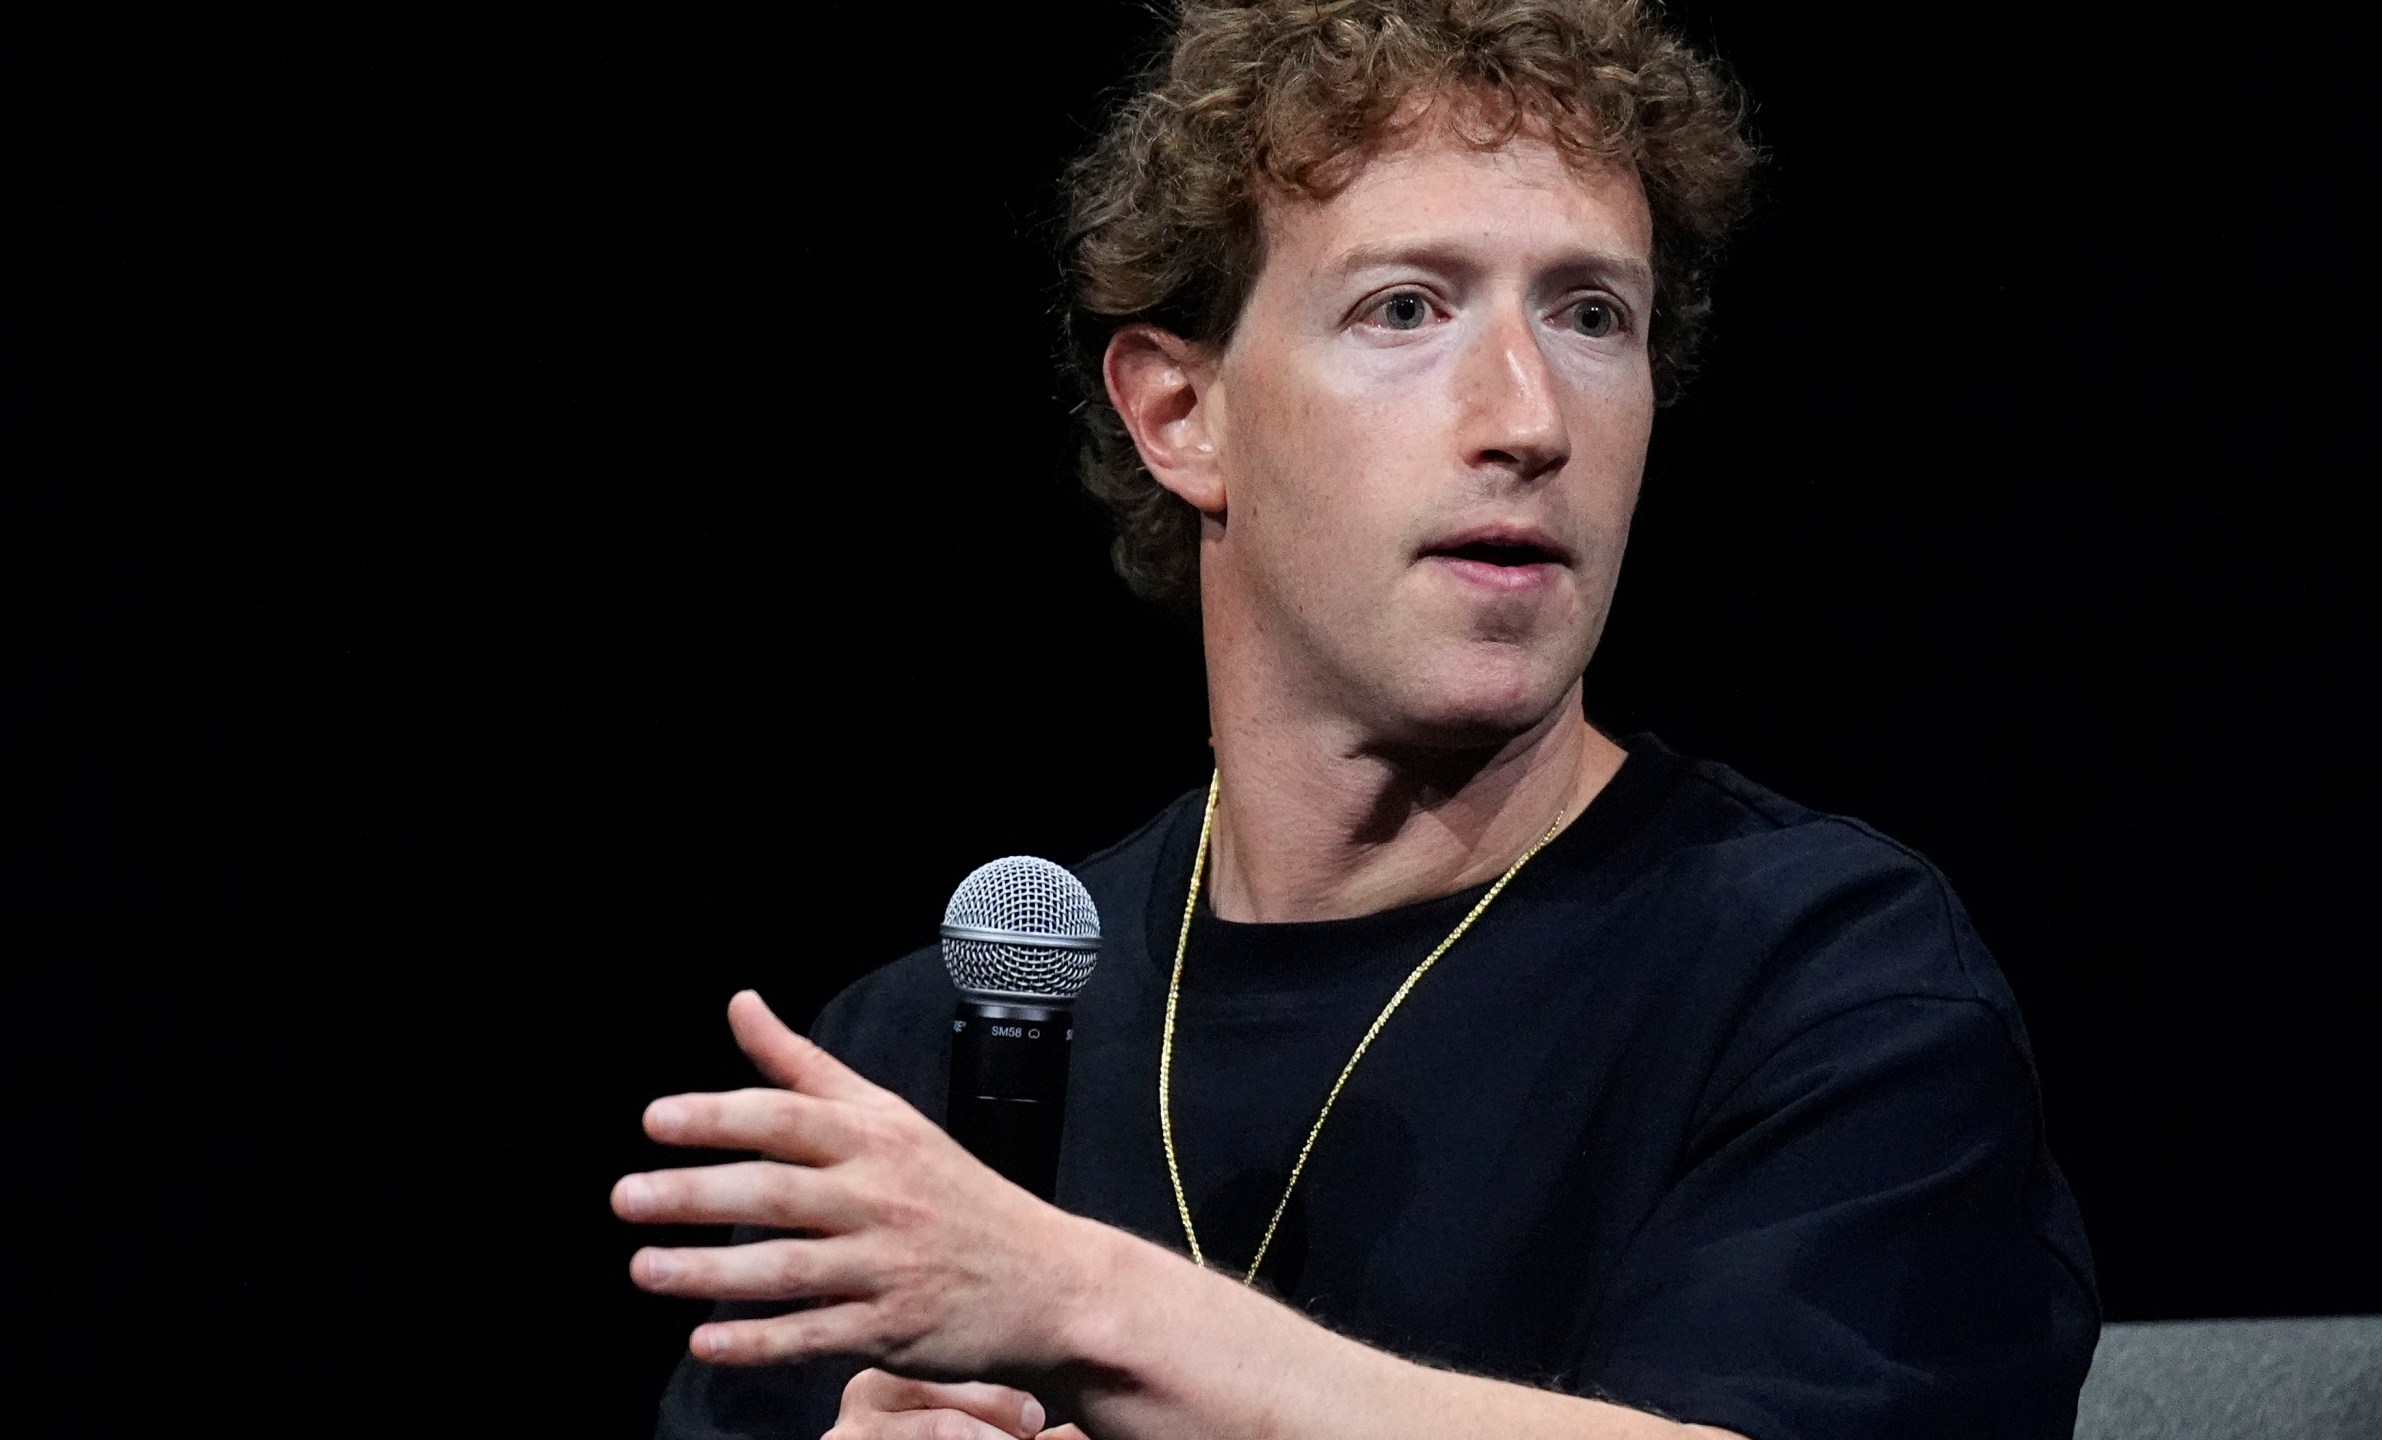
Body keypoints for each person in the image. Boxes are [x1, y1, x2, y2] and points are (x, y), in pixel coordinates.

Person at [618, 2, 2099, 1436]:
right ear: (1180, 414)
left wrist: (1087, 1307)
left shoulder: (1829, 987)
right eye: (1406, 308)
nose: (1529, 418)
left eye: (1592, 316)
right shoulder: (920, 1054)